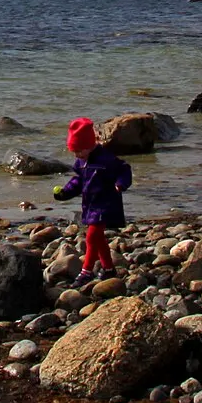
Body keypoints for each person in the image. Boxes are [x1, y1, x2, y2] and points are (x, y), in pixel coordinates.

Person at [53, 117, 132, 281]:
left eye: (79, 151)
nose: (77, 155)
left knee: (91, 237)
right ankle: (109, 268)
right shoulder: (81, 162)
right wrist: (65, 193)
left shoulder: (106, 159)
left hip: (106, 202)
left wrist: (121, 184)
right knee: (99, 238)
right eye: (74, 152)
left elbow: (124, 170)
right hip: (90, 203)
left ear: (89, 145)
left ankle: (86, 271)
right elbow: (79, 181)